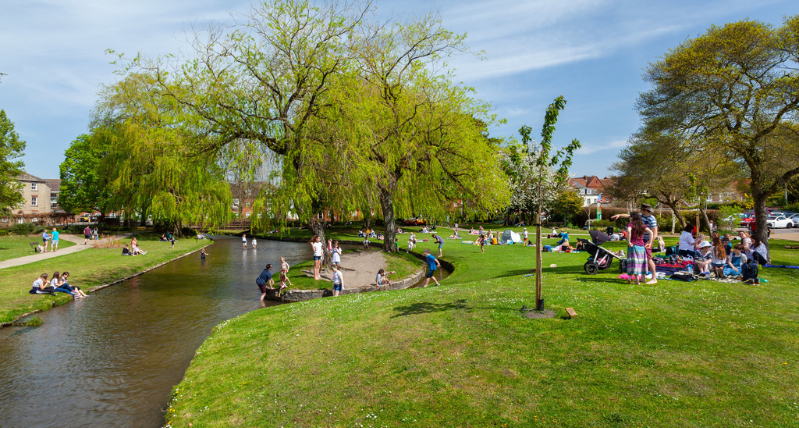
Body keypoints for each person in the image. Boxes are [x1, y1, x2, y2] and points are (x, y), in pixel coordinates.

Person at [612, 203, 659, 284]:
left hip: (647, 241)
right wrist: (619, 215)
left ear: (645, 210)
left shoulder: (652, 219)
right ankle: (642, 278)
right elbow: (629, 216)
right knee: (642, 259)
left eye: (641, 209)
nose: (640, 211)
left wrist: (650, 242)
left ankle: (654, 278)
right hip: (640, 240)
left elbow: (654, 233)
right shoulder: (640, 216)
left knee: (648, 259)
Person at [625, 213, 652, 285]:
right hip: (641, 247)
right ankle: (630, 278)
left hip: (633, 246)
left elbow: (628, 231)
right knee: (639, 264)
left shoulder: (631, 224)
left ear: (632, 218)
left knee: (632, 263)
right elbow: (651, 232)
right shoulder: (642, 225)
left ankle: (636, 281)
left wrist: (629, 241)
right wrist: (649, 242)